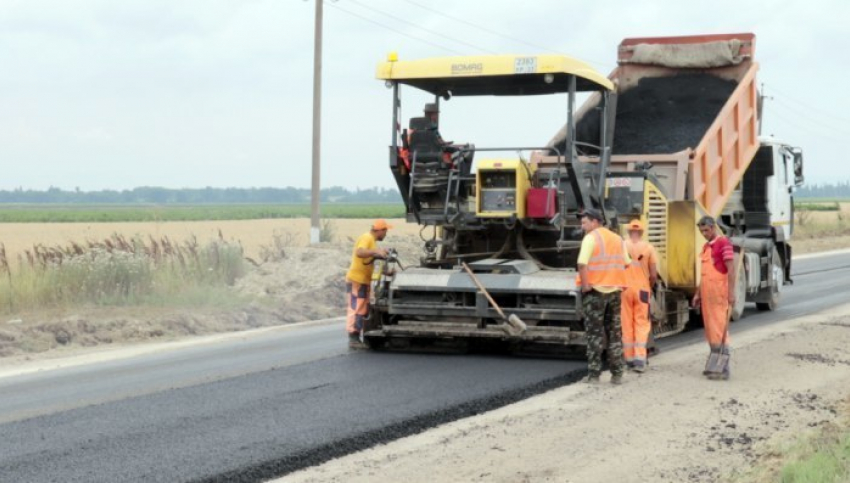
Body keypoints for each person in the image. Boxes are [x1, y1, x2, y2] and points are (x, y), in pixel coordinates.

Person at [576, 208, 631, 385]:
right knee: (614, 333)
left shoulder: (590, 238)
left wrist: (585, 286)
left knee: (594, 334)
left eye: (584, 222)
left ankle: (594, 375)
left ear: (595, 222)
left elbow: (582, 264)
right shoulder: (618, 239)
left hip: (595, 292)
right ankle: (617, 375)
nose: (582, 226)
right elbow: (627, 263)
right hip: (614, 292)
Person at [692, 215, 735, 380]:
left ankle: (724, 368)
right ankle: (715, 363)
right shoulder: (705, 247)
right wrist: (697, 293)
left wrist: (731, 293)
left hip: (719, 294)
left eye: (706, 230)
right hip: (707, 295)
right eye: (701, 231)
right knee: (710, 330)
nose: (704, 233)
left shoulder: (724, 243)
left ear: (713, 228)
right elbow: (703, 274)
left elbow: (731, 270)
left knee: (719, 329)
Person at [345, 219, 392, 349]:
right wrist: (376, 252)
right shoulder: (367, 237)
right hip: (357, 279)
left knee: (363, 308)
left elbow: (369, 259)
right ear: (380, 230)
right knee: (357, 308)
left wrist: (388, 272)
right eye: (385, 231)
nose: (386, 234)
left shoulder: (372, 242)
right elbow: (359, 252)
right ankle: (353, 338)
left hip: (363, 280)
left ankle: (357, 336)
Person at [621, 220, 658, 373]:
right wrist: (649, 285)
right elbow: (654, 274)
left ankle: (628, 359)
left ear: (629, 232)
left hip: (624, 289)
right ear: (642, 233)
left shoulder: (622, 246)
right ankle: (639, 360)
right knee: (641, 324)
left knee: (626, 324)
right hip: (642, 290)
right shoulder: (648, 248)